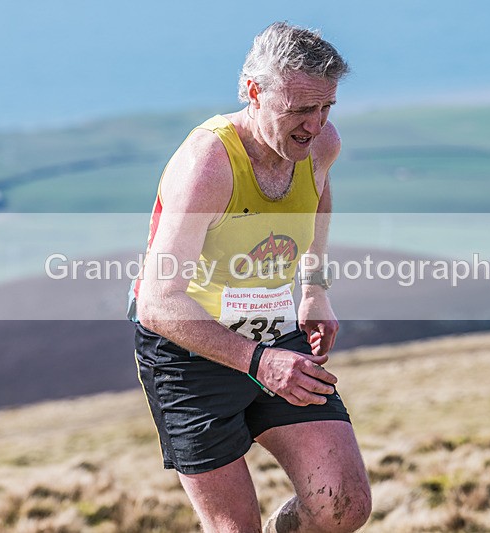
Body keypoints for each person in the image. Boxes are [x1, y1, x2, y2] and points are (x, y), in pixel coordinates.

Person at [128, 22, 371, 532]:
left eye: (326, 107)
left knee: (343, 506)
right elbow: (157, 302)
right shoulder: (208, 167)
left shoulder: (322, 143)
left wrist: (314, 288)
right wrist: (259, 363)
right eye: (301, 110)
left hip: (273, 331)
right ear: (254, 92)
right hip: (189, 347)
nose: (315, 125)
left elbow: (318, 195)